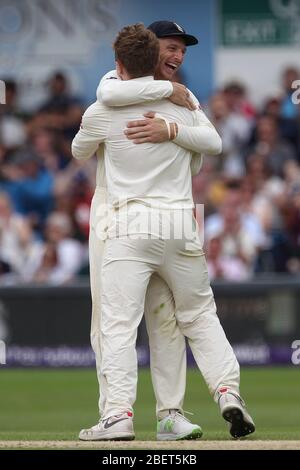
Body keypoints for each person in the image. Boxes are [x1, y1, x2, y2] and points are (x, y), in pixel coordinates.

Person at [72, 23, 255, 441]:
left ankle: (121, 414)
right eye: (170, 49)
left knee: (118, 325)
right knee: (194, 316)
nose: (178, 58)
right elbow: (205, 154)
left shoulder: (103, 111)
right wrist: (173, 130)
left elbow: (78, 149)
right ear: (153, 56)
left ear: (119, 64)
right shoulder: (184, 105)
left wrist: (115, 136)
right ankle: (227, 391)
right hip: (178, 224)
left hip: (128, 224)